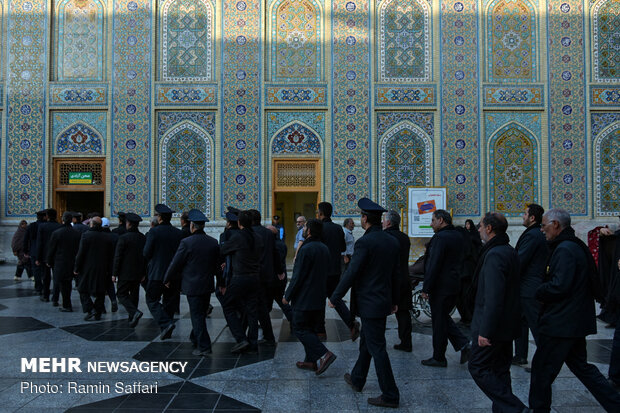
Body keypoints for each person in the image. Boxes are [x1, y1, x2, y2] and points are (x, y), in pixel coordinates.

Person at [529, 209, 620, 412]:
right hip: (572, 321)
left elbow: (560, 286)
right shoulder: (571, 246)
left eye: (544, 225)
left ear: (556, 224)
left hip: (561, 324)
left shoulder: (565, 249)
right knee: (582, 368)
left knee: (542, 371)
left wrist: (538, 289)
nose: (542, 229)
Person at [330, 198, 400, 409]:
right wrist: (394, 300)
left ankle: (390, 394)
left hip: (370, 303)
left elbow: (353, 272)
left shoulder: (365, 242)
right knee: (367, 343)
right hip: (382, 301)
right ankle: (358, 378)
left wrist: (335, 296)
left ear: (365, 219)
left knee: (377, 348)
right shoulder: (392, 241)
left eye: (361, 216)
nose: (360, 219)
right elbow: (396, 275)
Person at [468, 212, 525, 413]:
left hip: (492, 327)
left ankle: (516, 408)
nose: (479, 230)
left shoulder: (494, 255)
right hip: (506, 325)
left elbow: (493, 297)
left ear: (489, 228)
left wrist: (485, 331)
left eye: (480, 226)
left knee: (477, 366)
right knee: (500, 370)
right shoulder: (508, 250)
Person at [284, 218, 336, 374]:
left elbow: (298, 276)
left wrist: (287, 295)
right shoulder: (324, 248)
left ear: (310, 231)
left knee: (299, 328)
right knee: (311, 329)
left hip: (304, 297)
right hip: (318, 296)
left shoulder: (306, 249)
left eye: (305, 227)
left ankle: (323, 354)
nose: (304, 229)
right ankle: (310, 361)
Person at [164, 209, 220, 356]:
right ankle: (194, 337)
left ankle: (204, 347)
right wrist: (221, 282)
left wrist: (167, 278)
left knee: (197, 316)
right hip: (207, 285)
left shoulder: (186, 242)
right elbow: (217, 266)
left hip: (192, 285)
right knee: (200, 313)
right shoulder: (213, 242)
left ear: (192, 226)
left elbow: (175, 263)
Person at [421, 209, 470, 367]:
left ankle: (439, 356)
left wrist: (426, 287)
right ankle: (463, 345)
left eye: (433, 220)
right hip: (454, 283)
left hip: (440, 286)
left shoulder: (440, 238)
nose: (431, 224)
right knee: (442, 317)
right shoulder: (458, 236)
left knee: (439, 322)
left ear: (441, 220)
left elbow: (434, 264)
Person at [220, 210, 264, 353]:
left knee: (227, 304)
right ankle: (253, 343)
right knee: (252, 311)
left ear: (239, 223)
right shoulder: (257, 237)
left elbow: (223, 250)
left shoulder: (238, 237)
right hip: (255, 278)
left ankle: (241, 338)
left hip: (240, 278)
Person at [513, 204, 548, 367]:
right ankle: (520, 355)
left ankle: (545, 361)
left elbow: (521, 260)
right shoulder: (534, 234)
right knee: (521, 321)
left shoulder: (533, 235)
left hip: (530, 287)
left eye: (525, 214)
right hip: (525, 286)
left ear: (532, 218)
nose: (523, 216)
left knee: (536, 324)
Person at [143, 204, 183, 340]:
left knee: (151, 299)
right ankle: (167, 329)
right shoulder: (178, 233)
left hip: (157, 273)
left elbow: (146, 253)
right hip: (173, 274)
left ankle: (165, 323)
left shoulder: (154, 232)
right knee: (170, 302)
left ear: (159, 218)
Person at [250, 209, 285, 345]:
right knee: (263, 307)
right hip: (266, 275)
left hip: (252, 275)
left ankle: (250, 338)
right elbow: (275, 253)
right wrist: (279, 270)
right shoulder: (268, 233)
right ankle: (267, 335)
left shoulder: (248, 233)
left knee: (252, 307)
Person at [316, 202, 347, 340]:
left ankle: (321, 331)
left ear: (321, 213)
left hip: (322, 271)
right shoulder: (338, 228)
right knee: (336, 299)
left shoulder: (319, 228)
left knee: (319, 301)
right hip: (335, 270)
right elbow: (342, 248)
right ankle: (351, 324)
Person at [74, 217, 116, 320]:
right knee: (100, 291)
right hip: (103, 267)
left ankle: (90, 309)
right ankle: (98, 312)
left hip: (87, 267)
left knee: (82, 289)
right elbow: (111, 255)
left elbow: (81, 253)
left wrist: (76, 267)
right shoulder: (107, 237)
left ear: (92, 225)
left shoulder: (86, 236)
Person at [382, 210, 412, 352]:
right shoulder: (405, 237)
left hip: (389, 280)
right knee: (404, 312)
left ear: (388, 222)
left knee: (381, 312)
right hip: (404, 279)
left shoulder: (385, 236)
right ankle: (406, 341)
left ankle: (378, 341)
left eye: (384, 220)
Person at [113, 213, 147, 327]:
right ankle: (132, 318)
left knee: (121, 294)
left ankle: (134, 312)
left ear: (129, 224)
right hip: (138, 272)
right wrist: (144, 272)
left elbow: (118, 256)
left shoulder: (123, 238)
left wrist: (114, 273)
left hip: (125, 272)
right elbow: (145, 256)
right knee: (134, 294)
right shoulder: (142, 237)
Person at [46, 212, 81, 312]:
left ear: (63, 220)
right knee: (68, 283)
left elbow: (51, 248)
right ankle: (67, 303)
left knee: (61, 283)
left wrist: (49, 260)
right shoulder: (76, 233)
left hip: (60, 262)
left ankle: (66, 304)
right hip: (72, 262)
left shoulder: (57, 233)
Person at [36, 209, 62, 304]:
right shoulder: (60, 226)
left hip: (44, 256)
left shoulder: (42, 226)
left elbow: (40, 243)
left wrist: (38, 257)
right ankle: (55, 298)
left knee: (45, 277)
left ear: (47, 216)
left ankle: (45, 295)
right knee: (56, 278)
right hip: (57, 256)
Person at [24, 210, 46, 294]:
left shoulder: (31, 226)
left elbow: (26, 240)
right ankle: (45, 287)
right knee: (44, 270)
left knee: (36, 270)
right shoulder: (45, 226)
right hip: (44, 251)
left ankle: (38, 287)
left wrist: (26, 251)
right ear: (44, 217)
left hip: (34, 251)